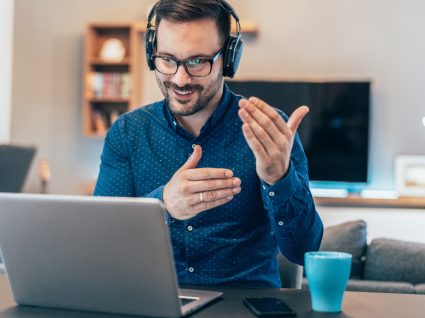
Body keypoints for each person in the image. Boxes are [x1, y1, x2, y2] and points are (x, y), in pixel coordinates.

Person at [94, 0, 323, 287]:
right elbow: (102, 242)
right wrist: (162, 205)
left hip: (243, 306)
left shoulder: (270, 131)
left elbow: (304, 250)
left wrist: (279, 177)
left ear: (228, 58)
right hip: (152, 302)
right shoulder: (128, 133)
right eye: (167, 59)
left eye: (197, 61)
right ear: (152, 53)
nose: (179, 78)